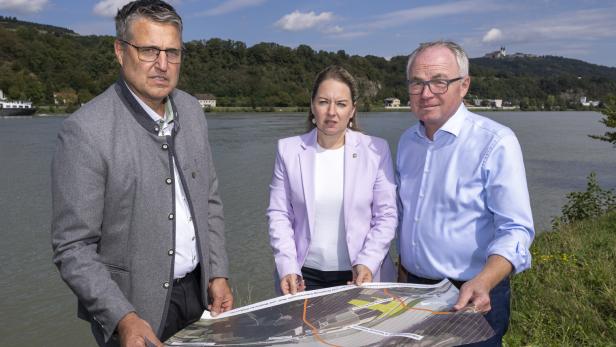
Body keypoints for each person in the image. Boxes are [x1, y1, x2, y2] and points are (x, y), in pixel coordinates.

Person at [51, 1, 233, 346]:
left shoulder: (193, 112)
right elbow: (73, 247)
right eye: (149, 50)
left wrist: (218, 272)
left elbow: (209, 201)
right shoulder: (85, 131)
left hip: (200, 296)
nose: (162, 65)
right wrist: (123, 317)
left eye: (172, 52)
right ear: (121, 51)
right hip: (135, 311)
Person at [396, 40, 534, 346]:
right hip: (415, 292)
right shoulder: (407, 142)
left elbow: (516, 229)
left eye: (439, 82)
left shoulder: (495, 142)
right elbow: (405, 216)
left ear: (464, 85)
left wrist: (485, 281)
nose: (426, 92)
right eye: (417, 82)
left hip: (470, 294)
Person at [267, 65, 397, 295]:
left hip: (360, 274)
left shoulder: (376, 150)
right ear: (312, 106)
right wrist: (287, 266)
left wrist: (368, 261)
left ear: (352, 110)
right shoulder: (287, 150)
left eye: (341, 104)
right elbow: (279, 214)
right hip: (302, 276)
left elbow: (386, 215)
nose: (332, 112)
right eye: (324, 102)